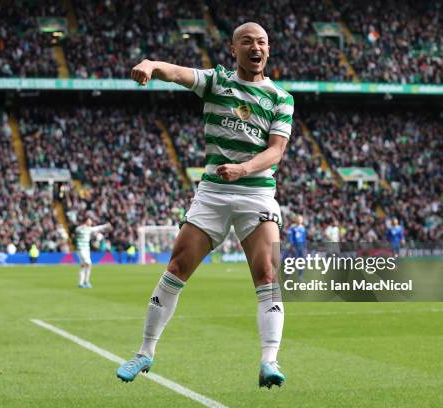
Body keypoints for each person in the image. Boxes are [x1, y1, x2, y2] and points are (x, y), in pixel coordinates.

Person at [119, 22, 294, 388]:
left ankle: (269, 361)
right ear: (234, 49)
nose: (255, 47)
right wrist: (152, 64)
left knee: (266, 274)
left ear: (268, 49)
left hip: (256, 193)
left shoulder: (281, 98)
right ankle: (145, 351)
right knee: (177, 266)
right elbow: (179, 74)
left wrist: (244, 168)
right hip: (213, 192)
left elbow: (276, 150)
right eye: (247, 41)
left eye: (261, 42)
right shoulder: (217, 82)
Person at [75, 217, 111, 288]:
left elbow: (97, 228)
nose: (91, 222)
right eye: (89, 221)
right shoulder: (81, 228)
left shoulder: (89, 229)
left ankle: (81, 283)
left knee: (83, 266)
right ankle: (86, 281)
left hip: (86, 250)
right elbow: (77, 230)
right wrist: (84, 226)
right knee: (89, 264)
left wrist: (105, 226)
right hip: (81, 250)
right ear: (86, 221)